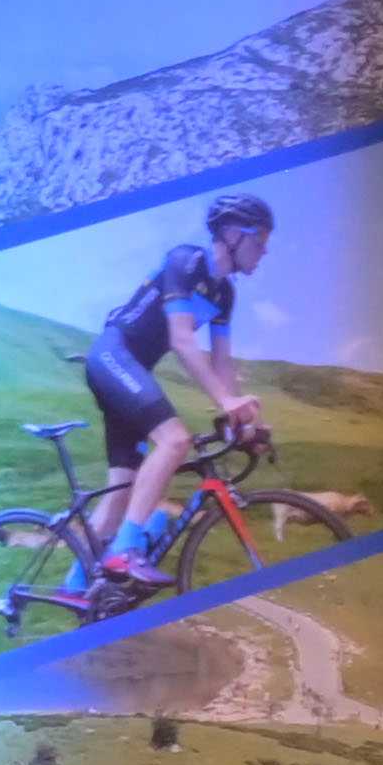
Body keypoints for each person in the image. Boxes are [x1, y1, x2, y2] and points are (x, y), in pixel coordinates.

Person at [93, 190, 275, 570]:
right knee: (175, 440)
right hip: (114, 356)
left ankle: (77, 588)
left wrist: (241, 420)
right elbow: (181, 340)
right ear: (232, 234)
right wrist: (225, 402)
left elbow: (222, 362)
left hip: (131, 371)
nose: (265, 250)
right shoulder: (185, 262)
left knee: (120, 493)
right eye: (260, 239)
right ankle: (124, 553)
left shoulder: (225, 295)